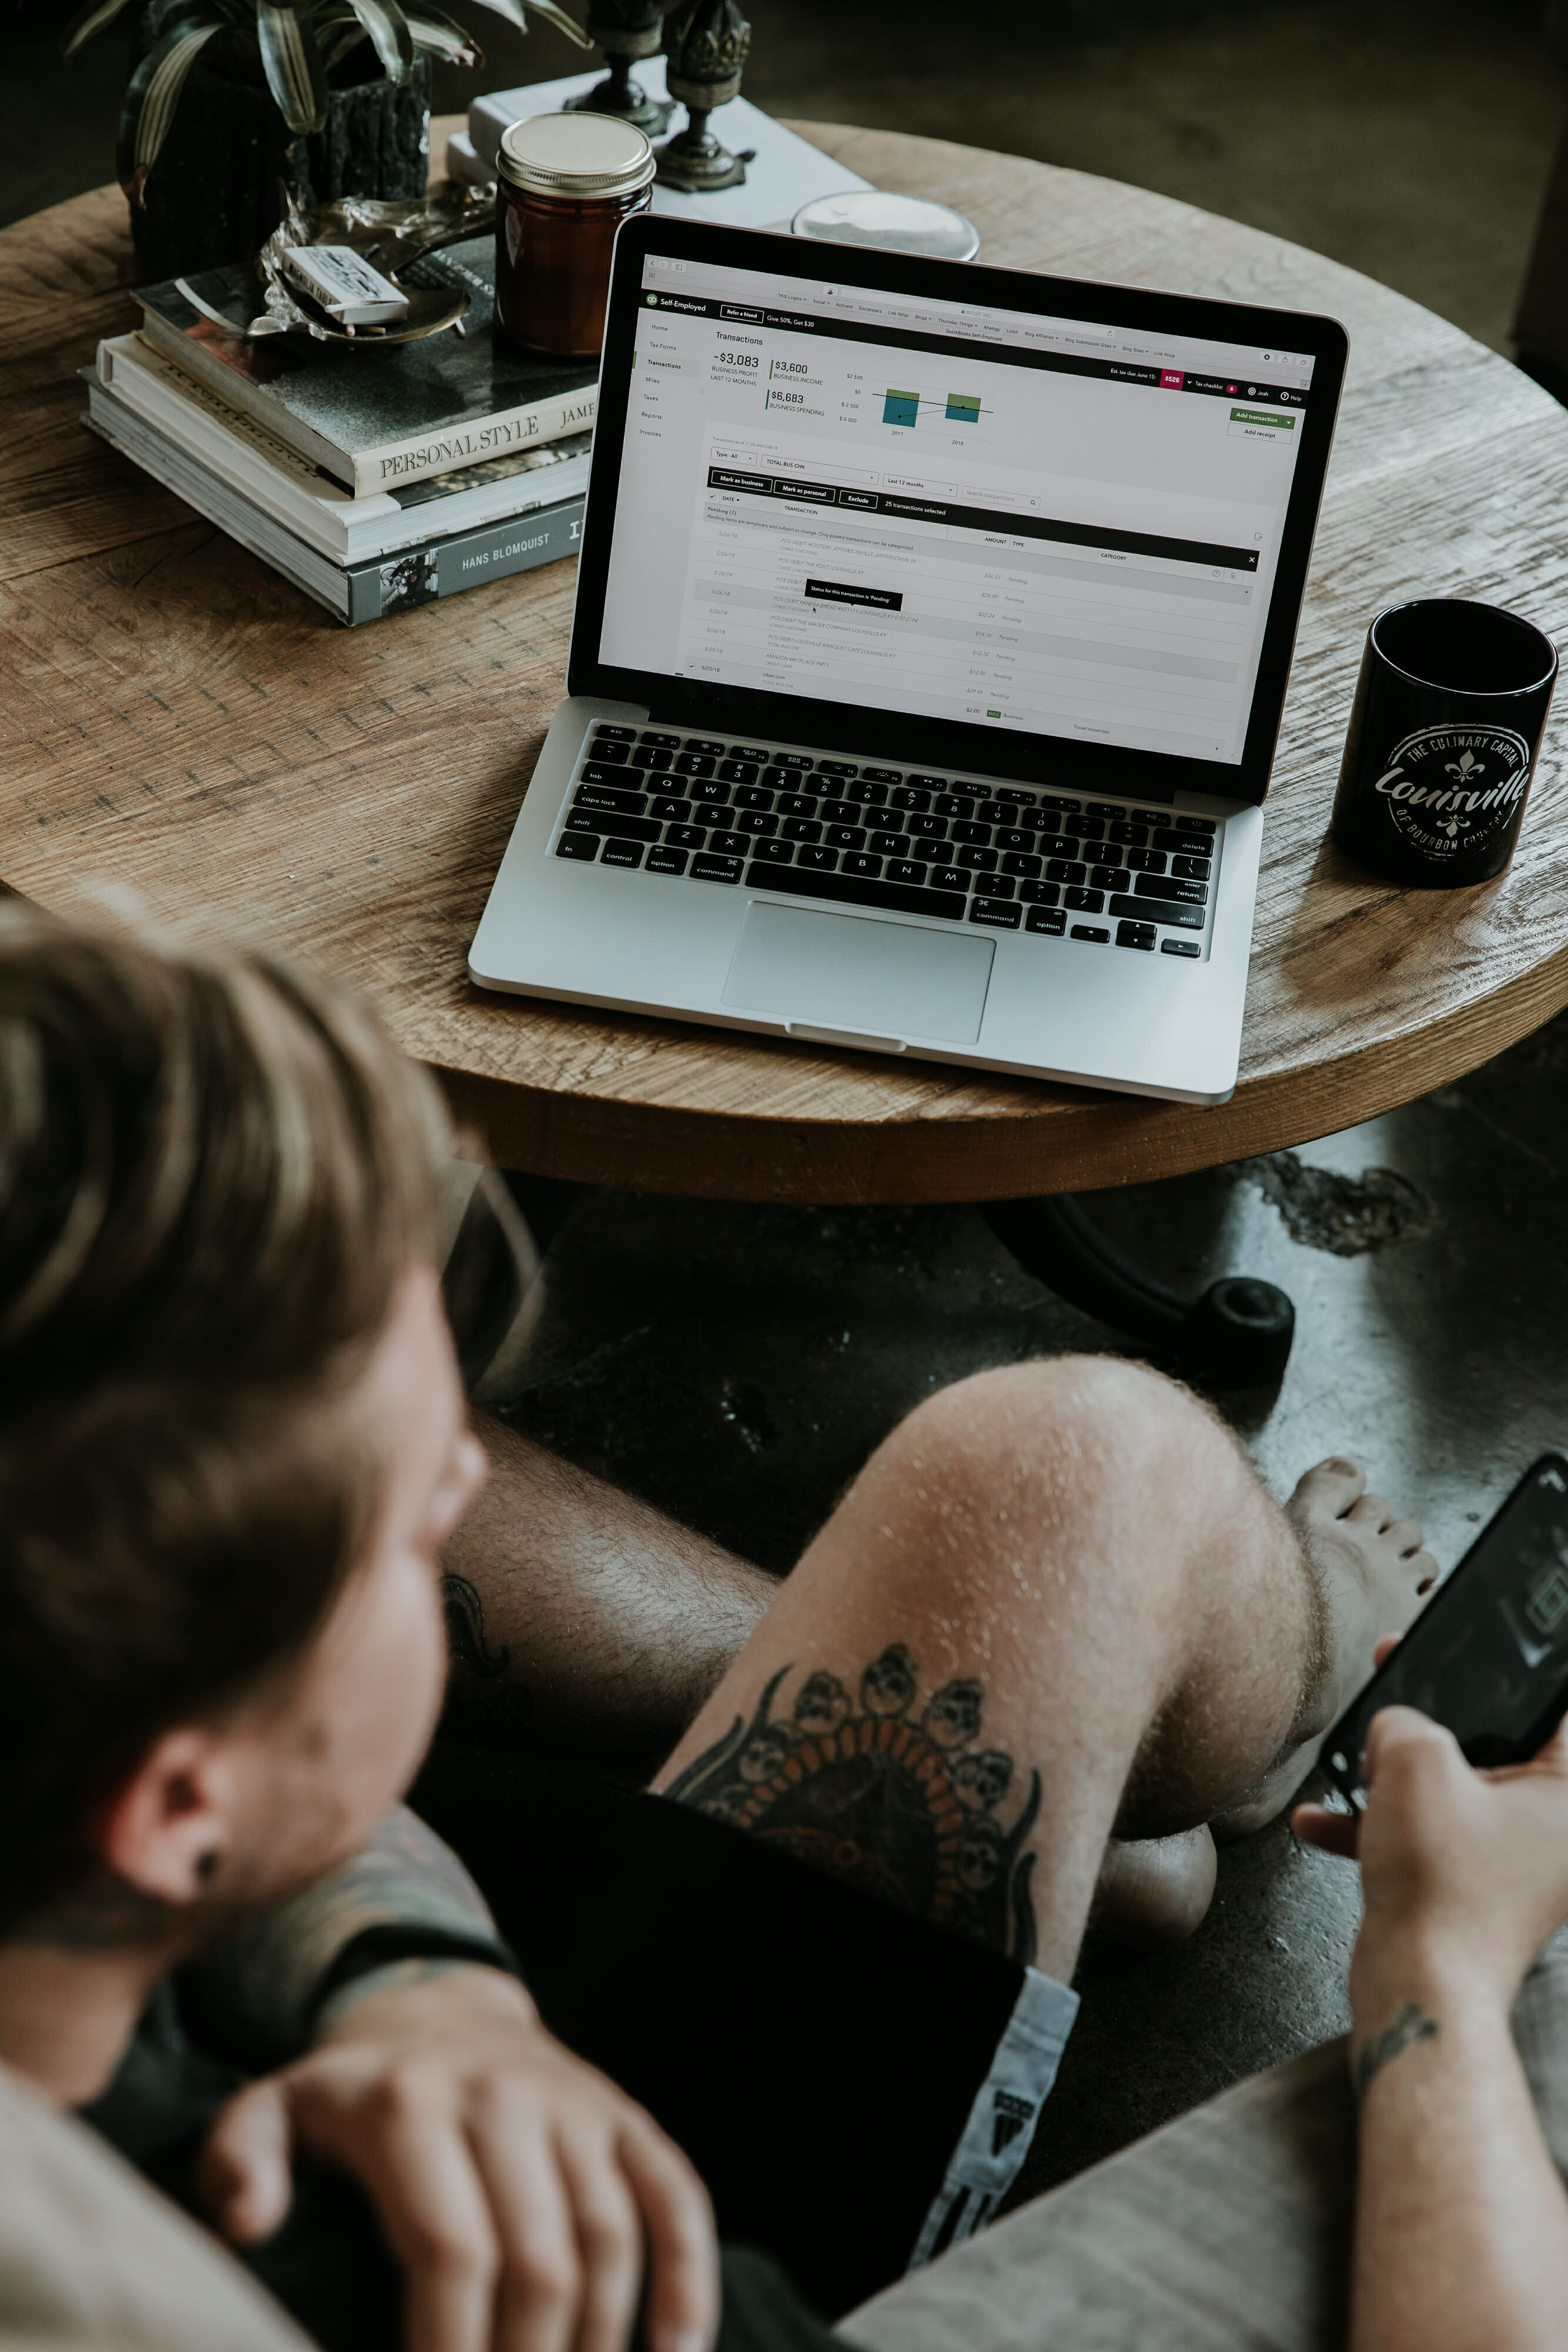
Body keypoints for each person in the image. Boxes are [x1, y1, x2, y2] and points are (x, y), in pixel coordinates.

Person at [2, 906, 1537, 2352]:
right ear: (181, 1808)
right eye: (413, 1532)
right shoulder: (528, 2299)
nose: (469, 1470)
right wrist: (1438, 1973)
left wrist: (412, 1982)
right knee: (1101, 1475)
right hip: (578, 2193)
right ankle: (1146, 1756)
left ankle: (1073, 1804)